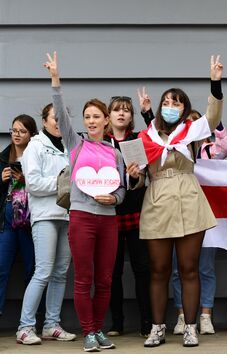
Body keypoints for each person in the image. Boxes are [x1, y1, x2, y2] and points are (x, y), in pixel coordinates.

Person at [44, 52, 128, 352]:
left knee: (104, 279)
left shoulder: (115, 153)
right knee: (83, 278)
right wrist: (56, 80)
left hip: (108, 219)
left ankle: (99, 329)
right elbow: (60, 114)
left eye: (97, 116)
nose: (91, 121)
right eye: (87, 116)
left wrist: (113, 197)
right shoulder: (75, 143)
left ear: (106, 121)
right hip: (81, 217)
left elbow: (122, 191)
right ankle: (89, 333)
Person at [139, 55, 224, 348]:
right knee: (159, 270)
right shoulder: (145, 136)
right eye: (167, 101)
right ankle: (158, 327)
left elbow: (212, 117)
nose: (171, 106)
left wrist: (215, 83)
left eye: (177, 102)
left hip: (189, 199)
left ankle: (190, 327)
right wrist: (133, 172)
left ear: (185, 108)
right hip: (158, 202)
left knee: (189, 268)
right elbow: (137, 175)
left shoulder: (191, 131)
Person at [16, 104, 76, 345]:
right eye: (55, 118)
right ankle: (25, 327)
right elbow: (34, 184)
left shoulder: (71, 146)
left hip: (68, 215)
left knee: (60, 273)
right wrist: (63, 183)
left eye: (64, 117)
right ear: (44, 121)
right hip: (45, 216)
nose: (60, 121)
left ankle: (51, 324)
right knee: (43, 271)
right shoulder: (35, 146)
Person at [105, 96, 152, 338]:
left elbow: (160, 139)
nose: (121, 114)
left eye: (125, 111)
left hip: (135, 212)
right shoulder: (101, 143)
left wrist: (135, 177)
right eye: (116, 110)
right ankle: (117, 323)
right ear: (108, 116)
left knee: (142, 268)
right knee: (112, 271)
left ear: (131, 117)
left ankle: (147, 321)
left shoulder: (138, 141)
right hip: (108, 213)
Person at [0, 115, 37, 318]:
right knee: (1, 268)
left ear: (32, 134)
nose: (17, 135)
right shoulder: (3, 157)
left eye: (22, 131)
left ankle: (32, 321)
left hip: (29, 222)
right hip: (7, 221)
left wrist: (25, 180)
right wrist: (1, 180)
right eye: (14, 130)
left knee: (32, 271)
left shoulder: (36, 157)